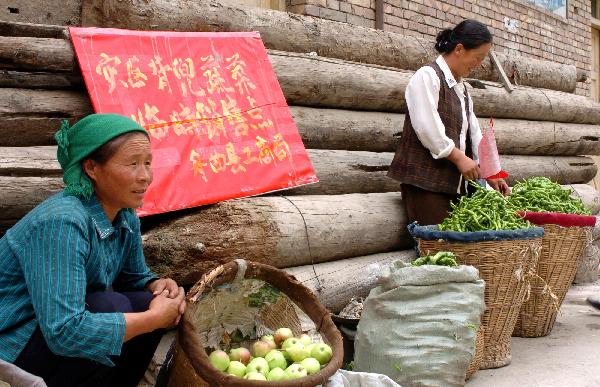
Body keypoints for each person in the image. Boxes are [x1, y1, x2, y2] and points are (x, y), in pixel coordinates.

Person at [0, 114, 186, 387]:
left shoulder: (125, 215)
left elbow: (133, 277)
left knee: (144, 303)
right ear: (91, 168)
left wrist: (157, 285)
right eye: (132, 164)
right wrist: (152, 319)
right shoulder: (62, 223)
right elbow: (63, 331)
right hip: (14, 340)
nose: (145, 176)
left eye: (147, 163)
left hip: (49, 331)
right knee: (116, 307)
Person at [388, 20, 510, 226]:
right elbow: (427, 127)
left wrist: (491, 172)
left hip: (453, 186)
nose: (478, 65)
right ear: (459, 49)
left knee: (456, 250)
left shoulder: (462, 89)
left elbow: (474, 135)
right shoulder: (427, 76)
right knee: (436, 249)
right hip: (426, 186)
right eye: (478, 58)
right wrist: (458, 157)